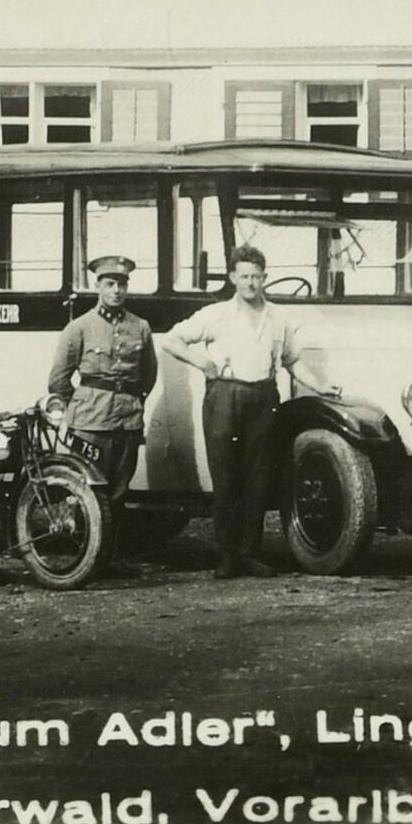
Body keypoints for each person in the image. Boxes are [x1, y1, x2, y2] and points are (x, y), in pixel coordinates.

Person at [159, 243, 312, 578]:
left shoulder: (278, 317)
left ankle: (250, 553)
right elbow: (171, 340)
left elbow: (293, 361)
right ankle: (227, 555)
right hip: (225, 397)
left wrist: (321, 385)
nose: (250, 283)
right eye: (244, 277)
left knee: (258, 477)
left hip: (264, 396)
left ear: (264, 278)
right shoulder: (216, 314)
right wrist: (202, 362)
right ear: (232, 278)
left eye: (256, 277)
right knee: (226, 475)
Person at [49, 254, 158, 569]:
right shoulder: (80, 327)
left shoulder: (140, 327)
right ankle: (84, 558)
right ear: (97, 286)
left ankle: (109, 558)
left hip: (126, 422)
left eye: (121, 284)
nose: (116, 290)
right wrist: (82, 404)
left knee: (119, 492)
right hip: (90, 425)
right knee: (86, 491)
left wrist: (131, 402)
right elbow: (58, 380)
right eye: (110, 284)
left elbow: (148, 375)